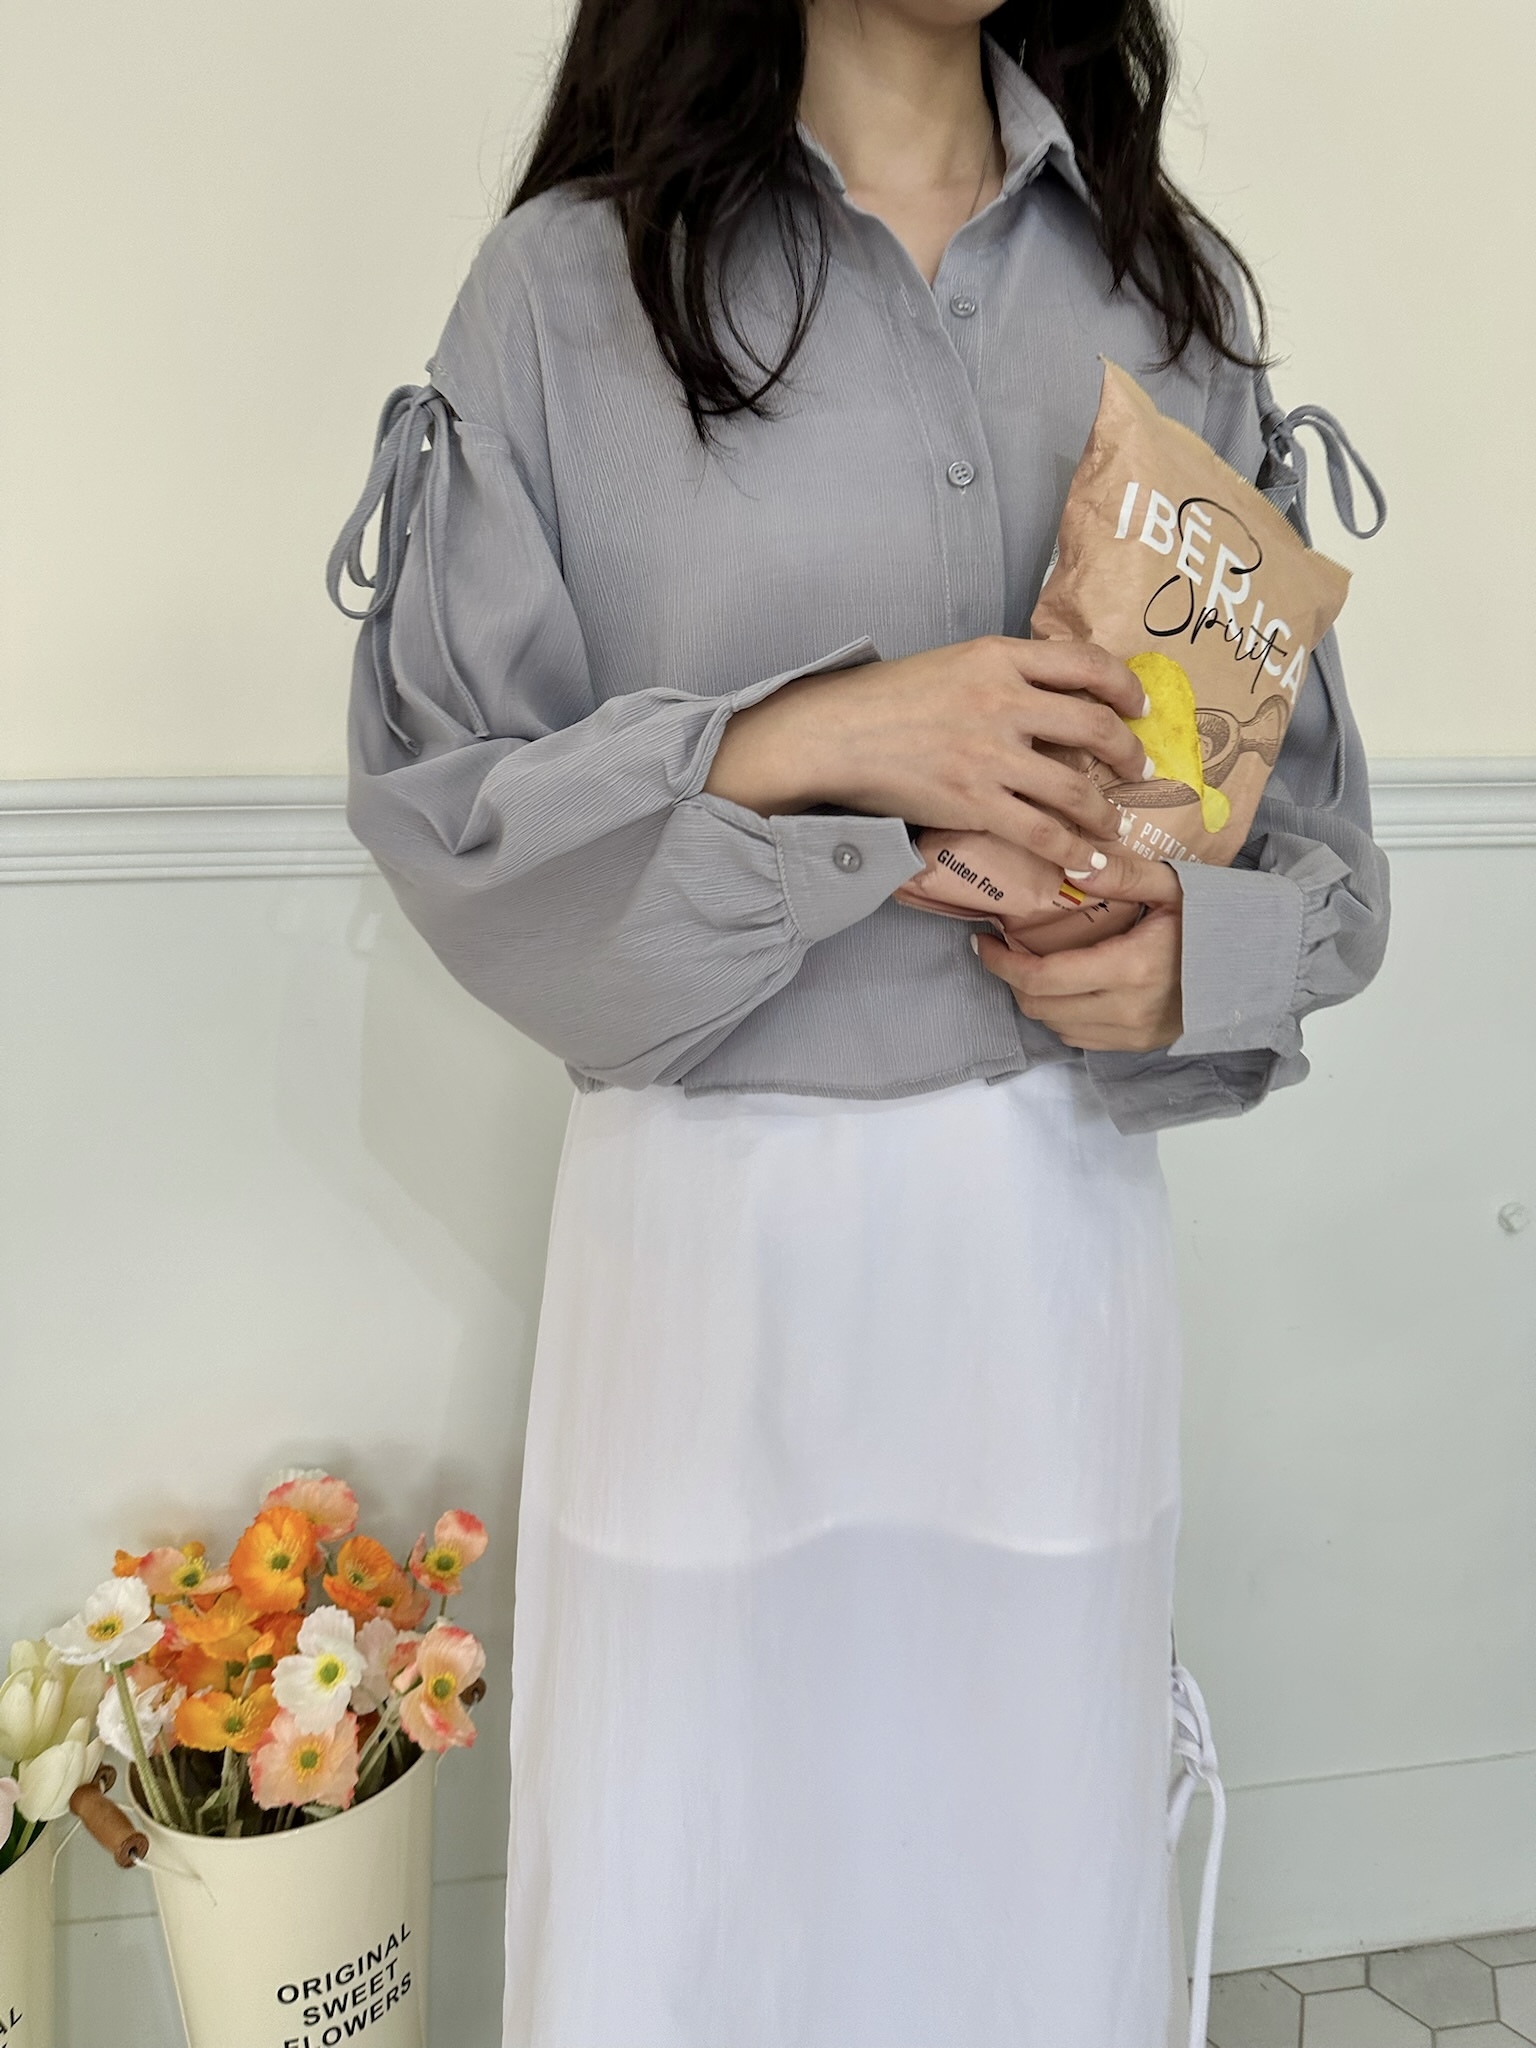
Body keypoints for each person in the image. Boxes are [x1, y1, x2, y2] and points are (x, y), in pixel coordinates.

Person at [327, 3, 1389, 2042]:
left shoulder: (1169, 291)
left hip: (1047, 1254)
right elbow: (451, 818)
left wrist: (1196, 959)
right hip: (710, 1258)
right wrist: (811, 738)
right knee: (693, 1892)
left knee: (1020, 1888)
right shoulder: (565, 290)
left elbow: (1314, 851)